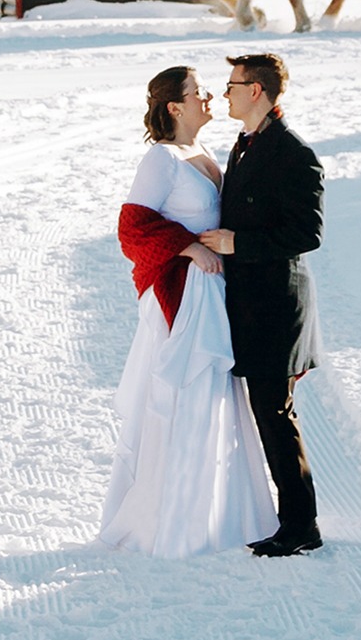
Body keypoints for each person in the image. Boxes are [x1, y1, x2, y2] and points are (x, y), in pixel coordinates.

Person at [104, 66, 280, 557]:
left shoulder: (201, 151)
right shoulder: (160, 159)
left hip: (213, 294)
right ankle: (173, 521)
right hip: (183, 299)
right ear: (175, 107)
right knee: (184, 397)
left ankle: (218, 514)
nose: (209, 97)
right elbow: (132, 228)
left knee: (215, 399)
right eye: (197, 91)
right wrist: (188, 247)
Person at [199, 53, 325, 558]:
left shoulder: (294, 153)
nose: (224, 93)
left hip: (278, 307)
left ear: (256, 90)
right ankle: (290, 519)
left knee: (274, 413)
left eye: (232, 85)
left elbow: (307, 233)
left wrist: (238, 244)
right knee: (267, 412)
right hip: (252, 304)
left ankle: (301, 526)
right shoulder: (245, 144)